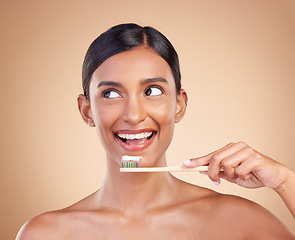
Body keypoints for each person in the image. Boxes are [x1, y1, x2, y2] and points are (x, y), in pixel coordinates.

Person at [16, 23, 295, 239]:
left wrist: (285, 181)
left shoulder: (243, 224)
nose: (134, 115)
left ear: (179, 105)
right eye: (111, 94)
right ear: (86, 111)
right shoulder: (45, 233)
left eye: (152, 91)